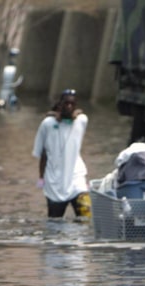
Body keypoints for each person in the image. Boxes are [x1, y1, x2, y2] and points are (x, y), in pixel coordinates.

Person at [32, 89, 91, 220]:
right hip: (55, 183)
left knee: (85, 217)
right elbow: (42, 153)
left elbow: (78, 116)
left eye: (72, 104)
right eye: (66, 103)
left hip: (77, 180)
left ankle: (79, 241)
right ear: (60, 105)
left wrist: (70, 116)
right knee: (55, 222)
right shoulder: (48, 124)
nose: (69, 106)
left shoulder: (81, 121)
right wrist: (41, 177)